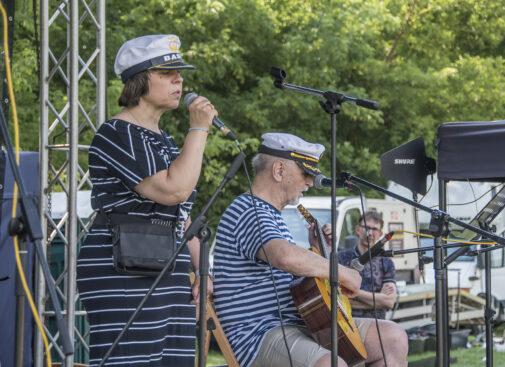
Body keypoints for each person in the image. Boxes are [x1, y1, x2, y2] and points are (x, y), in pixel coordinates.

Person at [213, 133, 408, 367]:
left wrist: (316, 251)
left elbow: (289, 276)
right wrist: (343, 273)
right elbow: (284, 257)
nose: (309, 182)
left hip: (299, 324)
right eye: (305, 173)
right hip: (259, 335)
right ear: (279, 171)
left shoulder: (272, 216)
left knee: (393, 339)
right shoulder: (247, 209)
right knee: (331, 364)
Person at [77, 34, 214, 366]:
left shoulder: (164, 139)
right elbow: (173, 190)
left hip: (167, 263)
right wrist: (199, 130)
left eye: (179, 73)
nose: (179, 79)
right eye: (167, 73)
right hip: (124, 264)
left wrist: (204, 272)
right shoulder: (117, 132)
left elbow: (179, 213)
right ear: (138, 81)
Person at [338, 211, 397, 320]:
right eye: (366, 227)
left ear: (380, 234)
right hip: (346, 322)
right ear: (357, 229)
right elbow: (336, 298)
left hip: (378, 325)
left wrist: (351, 291)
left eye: (374, 229)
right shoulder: (341, 258)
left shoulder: (386, 262)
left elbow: (388, 302)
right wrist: (377, 301)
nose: (369, 233)